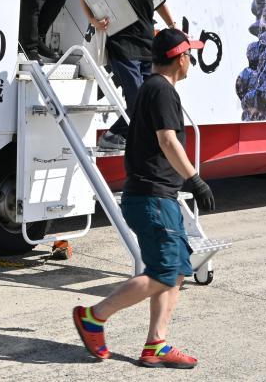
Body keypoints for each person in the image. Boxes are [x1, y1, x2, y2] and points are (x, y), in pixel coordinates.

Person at [72, 28, 215, 369]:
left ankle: (156, 344)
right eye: (189, 54)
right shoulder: (161, 91)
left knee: (177, 268)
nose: (191, 60)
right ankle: (95, 316)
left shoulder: (154, 89)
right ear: (180, 58)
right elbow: (167, 140)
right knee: (166, 273)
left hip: (155, 196)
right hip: (152, 198)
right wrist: (194, 179)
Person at [81, 0, 178, 151]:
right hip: (122, 45)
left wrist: (172, 25)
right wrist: (94, 22)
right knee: (137, 98)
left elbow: (159, 3)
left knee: (148, 100)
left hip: (147, 45)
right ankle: (117, 136)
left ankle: (115, 134)